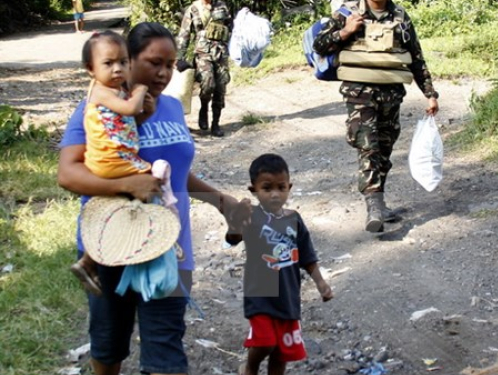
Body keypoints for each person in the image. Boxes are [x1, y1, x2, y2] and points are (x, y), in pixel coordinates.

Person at [58, 22, 249, 375]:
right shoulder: (101, 107)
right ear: (128, 61)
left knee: (165, 353)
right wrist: (127, 185)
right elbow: (68, 174)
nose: (163, 73)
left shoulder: (174, 107)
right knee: (109, 345)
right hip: (109, 243)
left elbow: (175, 170)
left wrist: (222, 202)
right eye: (154, 62)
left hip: (169, 246)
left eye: (171, 63)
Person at [312, 0, 440, 233]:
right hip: (360, 94)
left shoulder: (401, 18)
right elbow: (319, 44)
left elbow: (416, 58)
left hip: (391, 94)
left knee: (384, 148)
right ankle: (373, 205)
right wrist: (346, 30)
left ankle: (379, 203)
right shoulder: (347, 12)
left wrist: (430, 94)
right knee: (367, 146)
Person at [225, 153, 333, 375]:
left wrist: (320, 283)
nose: (275, 194)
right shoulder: (252, 215)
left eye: (281, 187)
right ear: (253, 189)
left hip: (288, 295)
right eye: (267, 188)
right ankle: (250, 367)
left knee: (281, 353)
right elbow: (232, 239)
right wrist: (236, 221)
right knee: (265, 342)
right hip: (260, 295)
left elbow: (307, 255)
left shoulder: (294, 219)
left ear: (289, 187)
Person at [69, 30, 152, 297]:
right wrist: (139, 92)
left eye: (123, 62)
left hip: (111, 160)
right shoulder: (101, 92)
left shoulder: (113, 92)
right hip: (111, 162)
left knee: (119, 206)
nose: (118, 69)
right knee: (151, 180)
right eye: (108, 63)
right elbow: (130, 111)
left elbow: (123, 124)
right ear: (90, 69)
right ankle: (153, 233)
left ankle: (89, 261)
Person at [176, 0, 232, 137]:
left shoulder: (221, 6)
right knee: (208, 84)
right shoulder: (192, 10)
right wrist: (180, 57)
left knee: (221, 87)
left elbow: (230, 27)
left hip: (220, 52)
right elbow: (184, 34)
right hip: (202, 53)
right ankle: (203, 108)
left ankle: (216, 123)